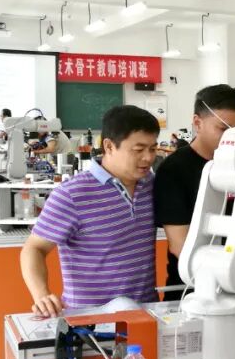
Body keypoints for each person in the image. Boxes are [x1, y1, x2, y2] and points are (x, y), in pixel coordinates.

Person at [21, 106, 160, 317]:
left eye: (153, 148)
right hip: (89, 319)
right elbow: (34, 248)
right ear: (109, 146)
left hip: (145, 314)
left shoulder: (151, 184)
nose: (148, 158)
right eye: (138, 150)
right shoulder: (72, 194)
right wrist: (41, 295)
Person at [155, 85, 235, 299]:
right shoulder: (174, 170)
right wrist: (228, 274)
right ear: (198, 123)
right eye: (223, 129)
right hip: (190, 292)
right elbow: (180, 245)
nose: (233, 139)